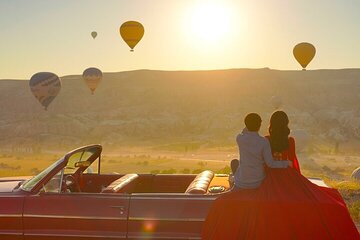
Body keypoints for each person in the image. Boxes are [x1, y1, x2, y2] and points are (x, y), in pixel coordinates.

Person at [202, 112, 359, 240]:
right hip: (287, 174)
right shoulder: (290, 141)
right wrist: (296, 179)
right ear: (286, 125)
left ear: (270, 125)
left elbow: (264, 162)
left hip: (268, 175)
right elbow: (293, 162)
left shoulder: (265, 140)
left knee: (236, 166)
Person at [233, 113, 291, 189]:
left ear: (246, 124)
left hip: (241, 182)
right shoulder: (264, 142)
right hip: (258, 182)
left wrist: (248, 125)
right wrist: (286, 163)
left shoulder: (239, 138)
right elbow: (270, 164)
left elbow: (244, 131)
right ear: (260, 125)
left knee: (234, 162)